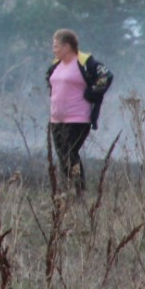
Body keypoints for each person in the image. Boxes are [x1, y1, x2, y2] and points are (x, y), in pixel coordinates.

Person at [45, 29, 112, 196]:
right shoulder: (56, 64)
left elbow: (106, 76)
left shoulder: (85, 62)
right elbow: (50, 80)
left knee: (70, 152)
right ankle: (66, 190)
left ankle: (78, 192)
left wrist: (92, 93)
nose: (53, 50)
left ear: (67, 47)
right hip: (57, 118)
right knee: (62, 156)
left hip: (78, 118)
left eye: (56, 46)